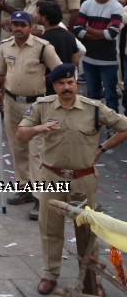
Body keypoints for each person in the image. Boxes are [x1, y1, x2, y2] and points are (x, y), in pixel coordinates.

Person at [18, 64, 127, 295]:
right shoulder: (42, 106)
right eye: (61, 83)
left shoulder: (94, 109)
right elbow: (21, 134)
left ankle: (92, 278)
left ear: (76, 83)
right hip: (51, 177)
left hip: (83, 179)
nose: (67, 87)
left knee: (89, 230)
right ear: (54, 86)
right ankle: (49, 274)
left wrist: (103, 148)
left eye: (71, 82)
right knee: (50, 228)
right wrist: (39, 128)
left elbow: (124, 127)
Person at [0, 11, 61, 206]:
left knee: (36, 151)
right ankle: (24, 188)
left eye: (23, 25)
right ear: (11, 26)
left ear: (31, 26)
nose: (19, 28)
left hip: (35, 105)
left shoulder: (42, 48)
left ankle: (40, 198)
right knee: (17, 147)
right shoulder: (6, 46)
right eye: (15, 25)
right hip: (11, 102)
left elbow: (61, 71)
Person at [74, 0, 122, 112]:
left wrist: (88, 28)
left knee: (111, 96)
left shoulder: (116, 7)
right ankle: (93, 123)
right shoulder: (86, 4)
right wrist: (101, 33)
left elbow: (112, 34)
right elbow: (77, 30)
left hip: (109, 60)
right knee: (92, 96)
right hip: (89, 59)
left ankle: (112, 128)